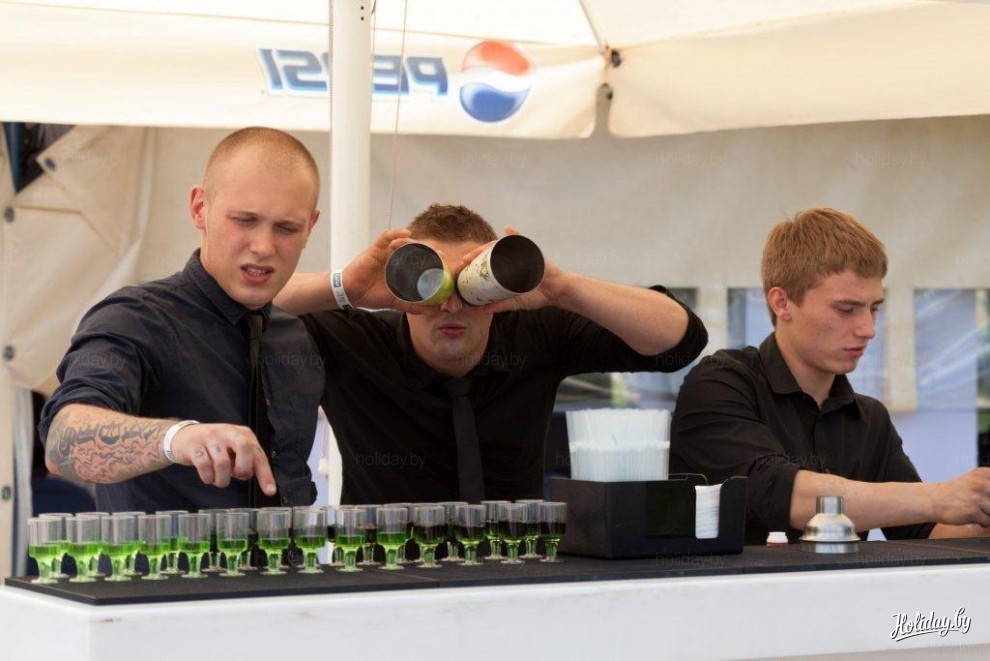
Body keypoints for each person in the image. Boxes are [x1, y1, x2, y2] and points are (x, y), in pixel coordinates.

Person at [276, 203, 708, 504]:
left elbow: (679, 341)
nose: (451, 305)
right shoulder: (355, 339)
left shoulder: (533, 331)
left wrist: (564, 289)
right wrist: (344, 288)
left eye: (472, 287)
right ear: (402, 286)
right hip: (386, 576)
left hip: (515, 569)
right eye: (430, 285)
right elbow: (244, 310)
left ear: (496, 288)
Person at [39, 127, 324, 512]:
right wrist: (176, 439)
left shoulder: (296, 337)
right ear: (199, 208)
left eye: (286, 228)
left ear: (311, 227)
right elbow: (63, 444)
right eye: (245, 220)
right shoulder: (136, 319)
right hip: (161, 555)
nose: (263, 247)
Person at [670, 207, 990, 544]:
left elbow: (925, 533)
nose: (868, 329)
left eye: (874, 308)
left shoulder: (870, 420)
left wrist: (981, 517)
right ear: (782, 303)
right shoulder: (719, 385)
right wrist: (940, 498)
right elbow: (780, 493)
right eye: (846, 309)